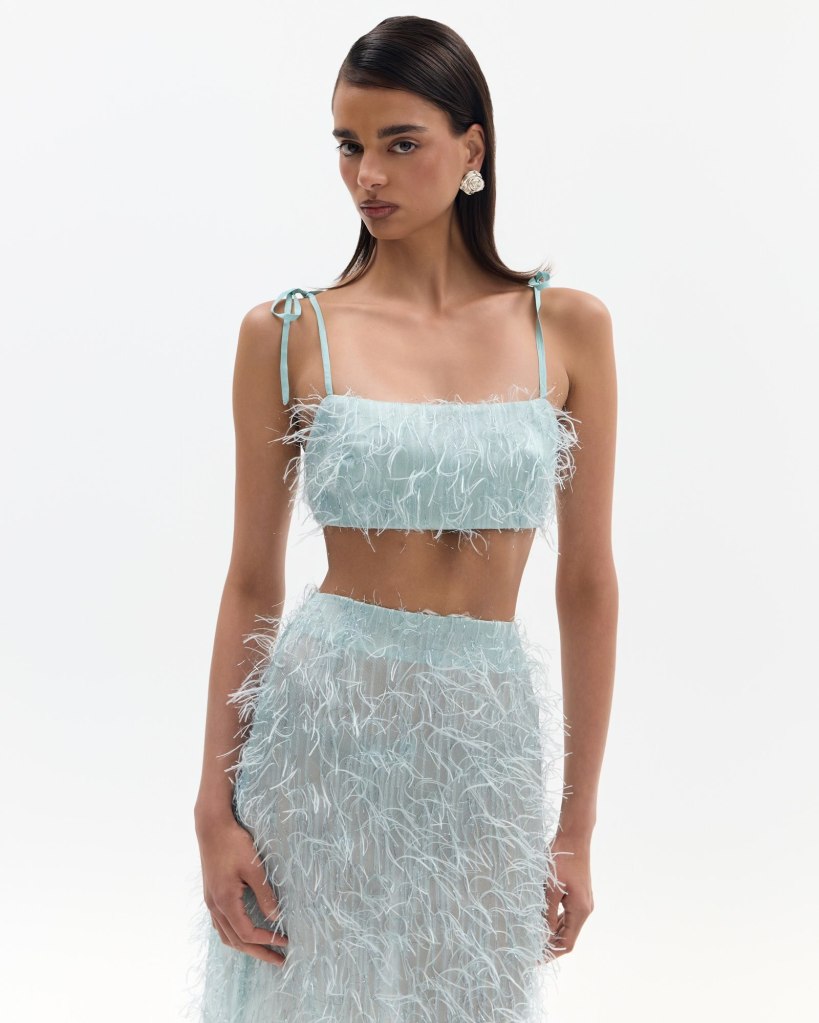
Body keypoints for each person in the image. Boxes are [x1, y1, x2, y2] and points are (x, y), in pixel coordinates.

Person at [190, 14, 618, 1023]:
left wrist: (576, 827)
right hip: (321, 734)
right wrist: (213, 810)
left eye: (400, 142)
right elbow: (250, 578)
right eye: (349, 144)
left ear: (472, 149)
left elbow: (588, 583)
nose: (367, 175)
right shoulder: (288, 333)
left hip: (482, 740)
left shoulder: (567, 328)